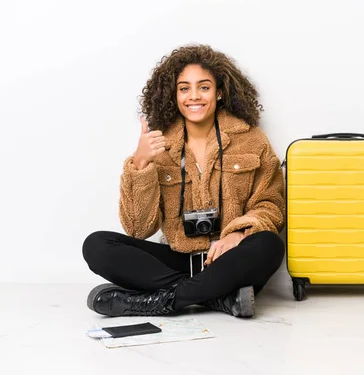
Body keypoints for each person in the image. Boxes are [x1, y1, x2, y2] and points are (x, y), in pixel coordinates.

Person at [82, 45, 285, 318]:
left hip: (228, 261)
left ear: (220, 91)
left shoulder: (251, 138)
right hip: (177, 261)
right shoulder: (159, 144)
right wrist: (141, 163)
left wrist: (238, 234)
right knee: (96, 245)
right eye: (184, 88)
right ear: (174, 95)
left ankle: (157, 301)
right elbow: (138, 228)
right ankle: (219, 298)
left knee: (269, 245)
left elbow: (271, 204)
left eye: (204, 87)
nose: (194, 97)